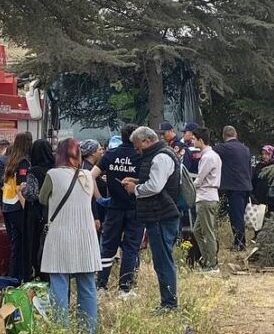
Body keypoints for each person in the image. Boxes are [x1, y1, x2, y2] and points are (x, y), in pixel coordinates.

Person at [38, 138, 102, 334]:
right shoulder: (87, 176)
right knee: (88, 285)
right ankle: (88, 331)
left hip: (60, 236)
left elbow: (42, 198)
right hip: (86, 236)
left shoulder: (53, 174)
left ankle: (61, 331)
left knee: (58, 283)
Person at [123, 126, 182, 311]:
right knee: (162, 260)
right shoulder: (159, 155)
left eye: (137, 146)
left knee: (163, 261)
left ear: (147, 140)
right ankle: (168, 301)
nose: (137, 150)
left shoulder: (160, 157)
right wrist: (138, 181)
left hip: (161, 215)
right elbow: (158, 181)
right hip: (159, 214)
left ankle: (169, 304)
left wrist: (136, 190)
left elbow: (156, 186)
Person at [90, 124, 145, 295]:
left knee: (108, 247)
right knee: (130, 248)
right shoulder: (140, 156)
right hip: (135, 207)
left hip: (113, 207)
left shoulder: (111, 155)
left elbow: (91, 175)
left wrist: (99, 198)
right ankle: (125, 288)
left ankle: (101, 285)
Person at [0, 132, 33, 281]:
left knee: (15, 244)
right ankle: (23, 275)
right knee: (23, 244)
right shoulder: (23, 162)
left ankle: (14, 276)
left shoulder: (10, 160)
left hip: (7, 205)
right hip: (18, 205)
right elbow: (22, 186)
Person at [212, 126, 253, 250]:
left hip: (233, 187)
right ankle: (239, 241)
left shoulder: (224, 148)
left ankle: (240, 243)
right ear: (236, 135)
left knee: (236, 216)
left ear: (224, 136)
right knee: (239, 215)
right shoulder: (245, 149)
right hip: (246, 186)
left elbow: (210, 151)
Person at [23, 139, 56, 280]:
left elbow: (31, 194)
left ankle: (36, 272)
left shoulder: (33, 171)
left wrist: (23, 189)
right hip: (53, 210)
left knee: (35, 243)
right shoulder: (55, 170)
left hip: (36, 212)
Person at [191, 127, 221, 273]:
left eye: (194, 139)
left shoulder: (208, 157)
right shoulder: (211, 155)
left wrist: (189, 186)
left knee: (208, 232)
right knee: (196, 230)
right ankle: (206, 257)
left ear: (201, 140)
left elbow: (200, 179)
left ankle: (212, 263)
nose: (193, 141)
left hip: (206, 197)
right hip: (207, 196)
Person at [252, 145, 274, 214]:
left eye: (266, 154)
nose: (264, 156)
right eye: (262, 154)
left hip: (273, 198)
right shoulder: (259, 165)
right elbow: (254, 179)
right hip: (259, 198)